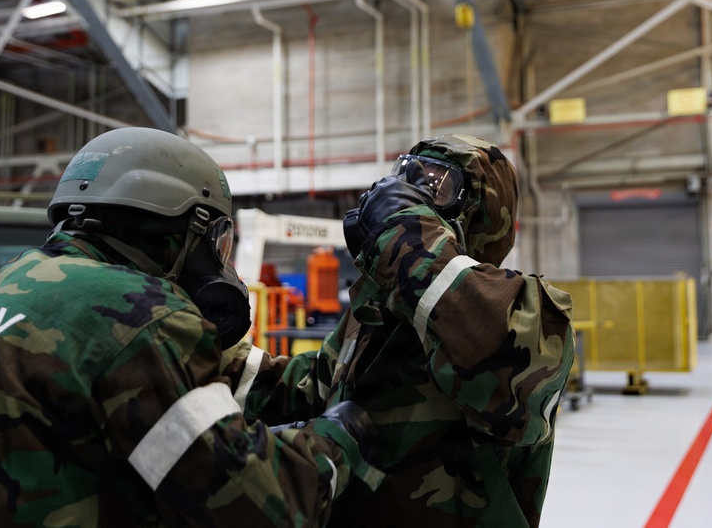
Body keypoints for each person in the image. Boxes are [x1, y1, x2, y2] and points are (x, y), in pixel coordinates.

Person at [0, 126, 380, 527]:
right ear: (187, 233)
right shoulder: (137, 309)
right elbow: (260, 506)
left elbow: (217, 379)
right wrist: (341, 436)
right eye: (217, 242)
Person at [235, 133, 575, 527]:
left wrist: (406, 232)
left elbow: (492, 350)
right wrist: (213, 358)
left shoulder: (527, 314)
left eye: (437, 186)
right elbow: (318, 384)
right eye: (406, 177)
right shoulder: (381, 310)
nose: (411, 193)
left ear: (483, 215)